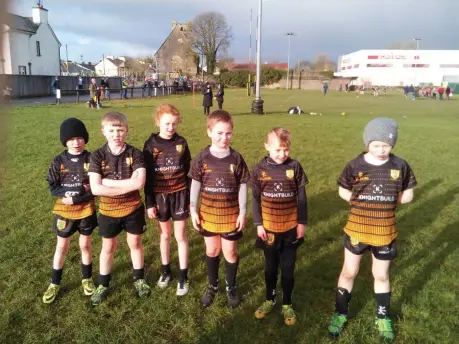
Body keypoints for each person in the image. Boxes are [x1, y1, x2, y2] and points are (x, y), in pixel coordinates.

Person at [327, 118, 417, 341]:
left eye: (386, 145)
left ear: (393, 144)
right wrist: (356, 201)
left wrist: (399, 198)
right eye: (376, 145)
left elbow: (408, 192)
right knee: (349, 272)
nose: (381, 150)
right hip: (357, 229)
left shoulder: (400, 166)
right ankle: (340, 313)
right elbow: (342, 189)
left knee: (381, 274)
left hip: (384, 231)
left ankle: (383, 316)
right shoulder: (355, 165)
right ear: (367, 142)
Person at [188, 110, 250, 308]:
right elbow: (195, 184)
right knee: (212, 249)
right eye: (219, 133)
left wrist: (242, 212)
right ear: (209, 132)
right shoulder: (202, 158)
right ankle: (212, 286)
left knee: (230, 251)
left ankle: (230, 286)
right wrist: (192, 209)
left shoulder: (236, 159)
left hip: (231, 214)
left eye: (228, 133)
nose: (224, 137)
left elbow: (242, 185)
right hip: (208, 213)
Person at [88, 112, 151, 305]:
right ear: (103, 132)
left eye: (120, 130)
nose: (117, 134)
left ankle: (139, 279)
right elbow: (96, 189)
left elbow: (139, 183)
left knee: (135, 244)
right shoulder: (97, 156)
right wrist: (126, 185)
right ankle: (103, 284)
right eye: (112, 130)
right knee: (108, 248)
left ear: (127, 131)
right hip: (108, 212)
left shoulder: (135, 153)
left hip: (133, 209)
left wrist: (108, 183)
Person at [250, 127, 308, 326]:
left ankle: (287, 303)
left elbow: (301, 198)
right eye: (277, 150)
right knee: (271, 267)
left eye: (285, 150)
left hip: (291, 227)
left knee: (288, 268)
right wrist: (258, 225)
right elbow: (255, 200)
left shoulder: (295, 167)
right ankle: (269, 298)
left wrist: (302, 222)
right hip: (269, 229)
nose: (282, 154)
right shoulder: (259, 169)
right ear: (267, 147)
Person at [42, 118, 97, 304]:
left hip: (86, 209)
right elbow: (52, 185)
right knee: (62, 247)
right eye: (71, 139)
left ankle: (87, 279)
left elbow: (95, 189)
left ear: (85, 139)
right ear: (65, 141)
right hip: (64, 210)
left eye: (80, 138)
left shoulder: (92, 159)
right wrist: (66, 196)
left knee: (85, 246)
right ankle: (54, 283)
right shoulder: (58, 161)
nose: (76, 142)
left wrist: (77, 197)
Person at [143, 104, 192, 296]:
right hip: (160, 196)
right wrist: (149, 203)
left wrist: (189, 199)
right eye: (166, 124)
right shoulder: (150, 144)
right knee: (165, 235)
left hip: (180, 194)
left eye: (174, 123)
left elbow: (188, 172)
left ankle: (183, 277)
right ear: (158, 122)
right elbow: (146, 176)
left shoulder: (182, 142)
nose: (171, 127)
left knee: (180, 236)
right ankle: (165, 272)